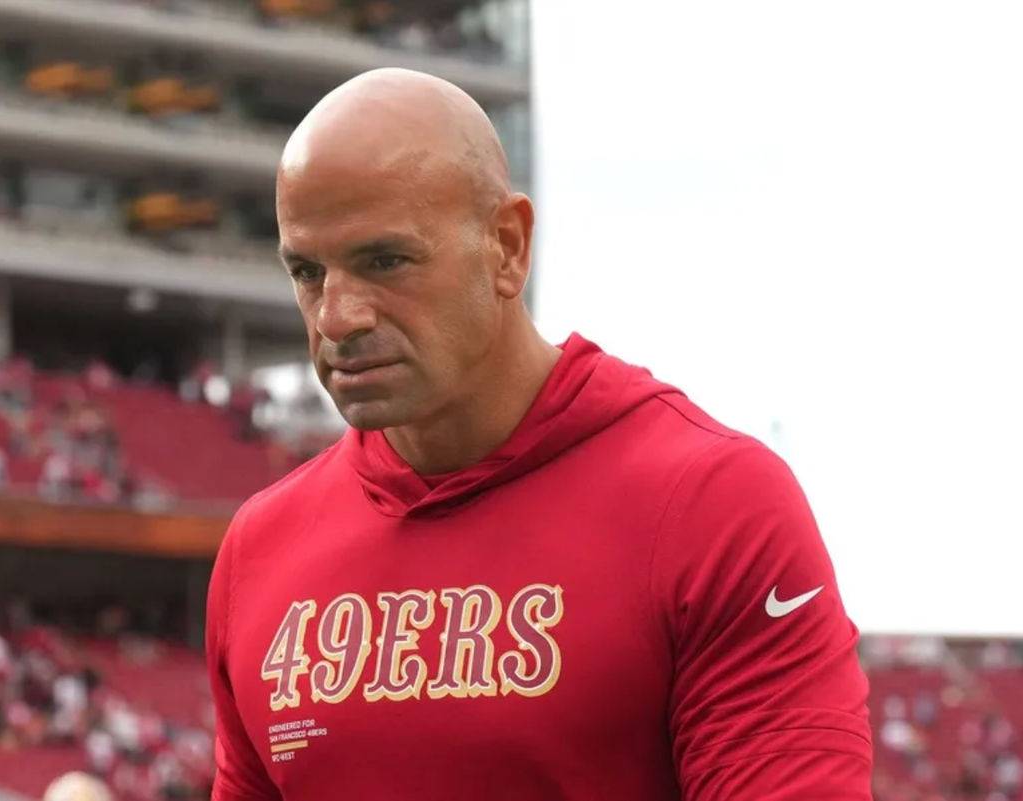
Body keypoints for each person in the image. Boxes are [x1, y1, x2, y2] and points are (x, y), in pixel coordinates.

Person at [205, 68, 873, 800]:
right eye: (307, 272)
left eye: (385, 261)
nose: (337, 316)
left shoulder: (710, 505)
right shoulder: (259, 548)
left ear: (507, 245)